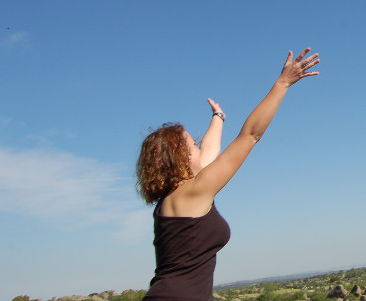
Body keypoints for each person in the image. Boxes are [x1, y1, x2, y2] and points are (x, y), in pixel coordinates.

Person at [136, 48, 320, 301]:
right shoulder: (192, 192)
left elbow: (210, 151)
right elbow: (250, 135)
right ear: (178, 158)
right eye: (192, 145)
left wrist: (218, 117)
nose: (199, 147)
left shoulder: (179, 197)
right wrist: (283, 83)